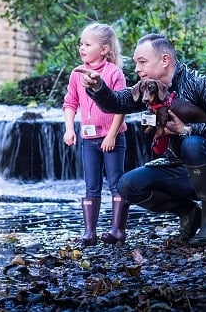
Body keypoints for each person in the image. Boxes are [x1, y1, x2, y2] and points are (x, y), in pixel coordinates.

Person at [76, 33, 206, 247]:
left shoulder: (200, 84)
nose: (137, 68)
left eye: (142, 62)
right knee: (127, 185)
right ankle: (190, 213)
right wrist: (98, 87)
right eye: (136, 62)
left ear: (165, 60)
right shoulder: (148, 88)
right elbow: (116, 102)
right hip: (179, 168)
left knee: (192, 143)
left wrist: (187, 130)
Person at [63, 22, 128, 247]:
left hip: (113, 138)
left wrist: (111, 135)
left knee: (116, 182)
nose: (82, 48)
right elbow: (70, 102)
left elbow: (121, 106)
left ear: (104, 50)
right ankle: (89, 232)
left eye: (87, 44)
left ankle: (117, 230)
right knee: (92, 185)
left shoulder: (114, 73)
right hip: (88, 139)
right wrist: (70, 128)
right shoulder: (76, 73)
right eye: (81, 43)